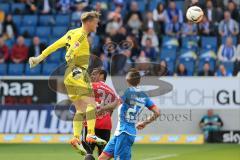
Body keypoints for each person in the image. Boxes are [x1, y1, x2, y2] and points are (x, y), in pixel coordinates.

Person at [28, 11, 107, 155]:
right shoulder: (81, 35)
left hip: (68, 75)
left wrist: (38, 58)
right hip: (77, 72)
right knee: (91, 103)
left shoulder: (72, 32)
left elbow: (54, 46)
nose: (97, 24)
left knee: (80, 109)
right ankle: (90, 133)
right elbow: (70, 53)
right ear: (88, 22)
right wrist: (73, 63)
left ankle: (76, 138)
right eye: (95, 22)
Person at [98, 68, 160, 160]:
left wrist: (101, 108)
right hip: (121, 133)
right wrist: (144, 123)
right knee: (101, 159)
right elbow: (157, 112)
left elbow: (114, 105)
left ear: (127, 80)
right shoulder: (144, 96)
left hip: (124, 133)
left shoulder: (127, 92)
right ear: (139, 81)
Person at [82, 68, 119, 160]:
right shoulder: (111, 91)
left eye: (94, 74)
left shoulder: (91, 85)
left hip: (91, 124)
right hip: (106, 125)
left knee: (88, 153)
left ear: (102, 76)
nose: (91, 76)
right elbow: (115, 105)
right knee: (103, 155)